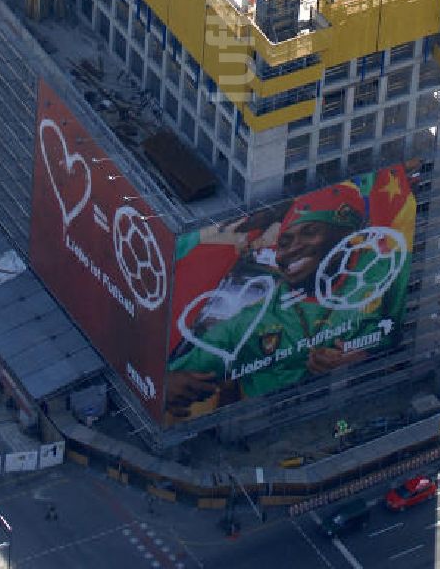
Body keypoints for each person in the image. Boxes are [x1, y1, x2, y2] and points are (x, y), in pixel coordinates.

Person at [164, 170, 417, 420]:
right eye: (284, 242)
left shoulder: (384, 267)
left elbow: (406, 330)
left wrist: (364, 356)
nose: (293, 249)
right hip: (268, 427)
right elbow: (184, 375)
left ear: (344, 237)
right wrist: (169, 386)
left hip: (362, 404)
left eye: (309, 232)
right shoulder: (253, 319)